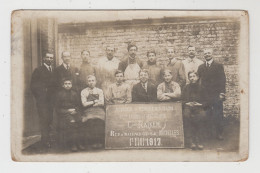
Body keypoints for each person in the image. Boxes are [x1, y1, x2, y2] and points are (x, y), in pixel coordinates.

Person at [197, 48, 226, 140]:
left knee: (218, 114)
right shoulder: (201, 67)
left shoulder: (218, 66)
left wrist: (222, 93)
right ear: (203, 55)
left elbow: (222, 80)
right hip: (205, 95)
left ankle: (219, 133)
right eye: (205, 53)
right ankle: (208, 134)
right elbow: (198, 81)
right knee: (207, 113)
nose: (207, 55)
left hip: (216, 94)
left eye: (209, 53)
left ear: (212, 54)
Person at [30, 52, 55, 148]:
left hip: (51, 101)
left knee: (50, 119)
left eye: (51, 58)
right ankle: (44, 141)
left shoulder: (52, 70)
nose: (49, 59)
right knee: (44, 120)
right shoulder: (38, 70)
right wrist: (41, 96)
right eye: (47, 57)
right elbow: (33, 86)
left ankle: (49, 138)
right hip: (43, 101)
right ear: (44, 58)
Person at [55, 78, 85, 152]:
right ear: (63, 85)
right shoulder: (59, 94)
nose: (67, 85)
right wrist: (67, 111)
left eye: (69, 84)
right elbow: (57, 108)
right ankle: (73, 144)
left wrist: (75, 110)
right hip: (64, 113)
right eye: (66, 84)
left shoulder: (74, 93)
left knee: (80, 121)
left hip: (74, 112)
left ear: (71, 85)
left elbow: (78, 105)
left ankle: (79, 142)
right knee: (72, 122)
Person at [182, 71, 206, 150]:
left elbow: (206, 101)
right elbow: (182, 100)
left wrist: (200, 104)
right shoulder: (186, 88)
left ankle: (199, 140)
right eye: (190, 77)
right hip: (188, 107)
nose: (192, 78)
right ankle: (191, 141)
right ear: (188, 78)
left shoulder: (202, 88)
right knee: (186, 116)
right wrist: (187, 103)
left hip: (198, 107)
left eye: (194, 76)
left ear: (197, 77)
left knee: (202, 116)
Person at [81, 75, 105, 148]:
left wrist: (91, 103)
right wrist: (94, 101)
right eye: (89, 81)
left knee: (100, 121)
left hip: (99, 110)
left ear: (95, 82)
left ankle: (100, 141)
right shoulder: (84, 91)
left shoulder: (99, 91)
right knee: (90, 121)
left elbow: (102, 103)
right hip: (88, 110)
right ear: (87, 82)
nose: (91, 82)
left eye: (92, 80)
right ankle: (92, 142)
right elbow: (84, 104)